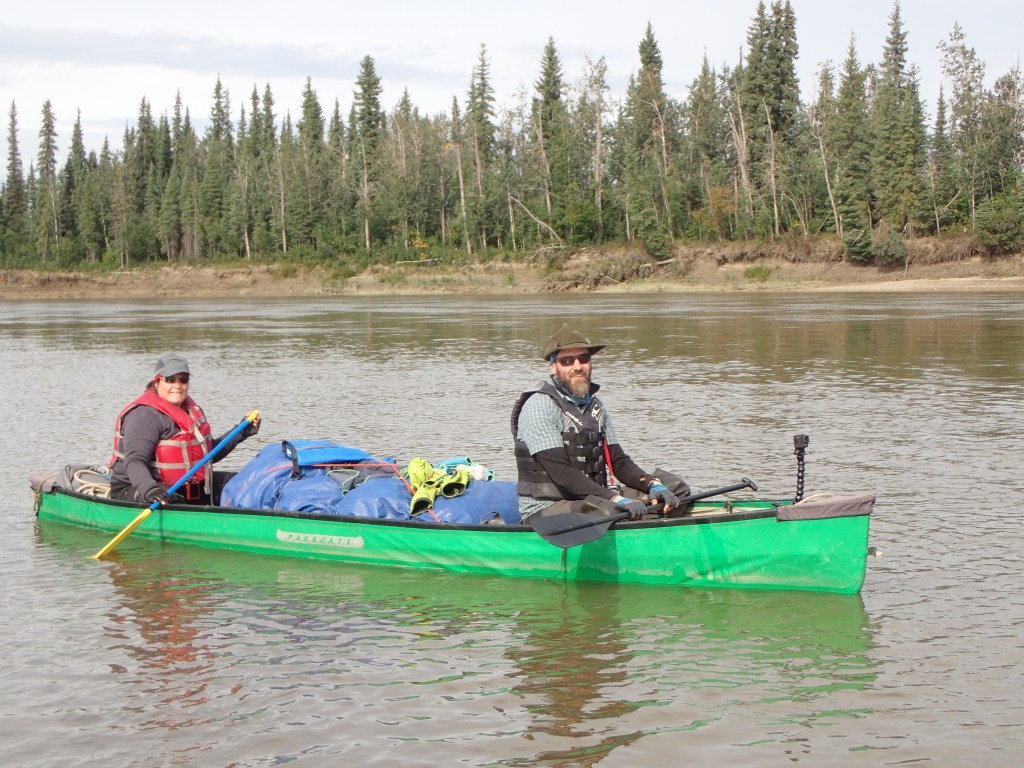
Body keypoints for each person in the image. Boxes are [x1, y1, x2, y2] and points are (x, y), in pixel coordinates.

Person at [511, 323, 689, 523]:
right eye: (567, 361)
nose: (577, 366)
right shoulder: (539, 406)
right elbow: (561, 472)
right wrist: (615, 498)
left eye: (583, 358)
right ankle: (642, 520)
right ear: (554, 367)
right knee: (608, 511)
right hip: (546, 509)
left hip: (595, 499)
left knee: (676, 490)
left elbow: (618, 461)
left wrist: (652, 483)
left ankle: (649, 518)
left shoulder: (595, 406)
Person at [108, 354, 261, 505]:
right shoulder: (143, 415)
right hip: (137, 487)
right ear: (157, 382)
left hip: (182, 486)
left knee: (242, 482)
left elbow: (207, 456)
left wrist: (242, 432)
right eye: (170, 380)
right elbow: (135, 461)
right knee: (173, 499)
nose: (177, 385)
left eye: (183, 380)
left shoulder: (191, 411)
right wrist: (150, 490)